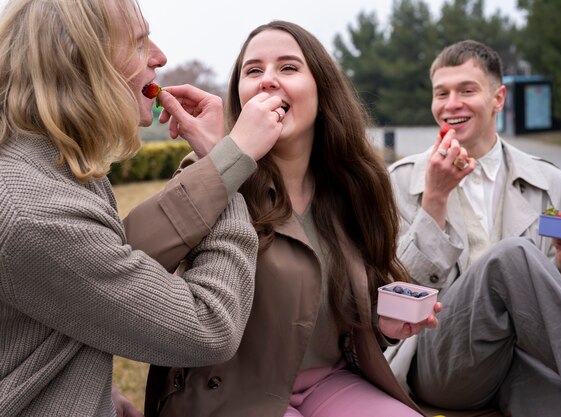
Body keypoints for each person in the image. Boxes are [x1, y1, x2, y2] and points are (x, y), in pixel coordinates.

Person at [130, 20, 441, 417]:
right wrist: (228, 160)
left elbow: (344, 314)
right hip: (234, 392)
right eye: (253, 71)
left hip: (329, 382)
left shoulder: (352, 186)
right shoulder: (210, 170)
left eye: (288, 68)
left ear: (322, 91)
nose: (267, 81)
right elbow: (131, 253)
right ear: (239, 97)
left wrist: (382, 324)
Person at [0, 0, 285, 415]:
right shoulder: (34, 210)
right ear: (81, 63)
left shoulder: (52, 164)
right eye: (138, 43)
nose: (159, 57)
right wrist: (227, 163)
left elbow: (63, 303)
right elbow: (208, 327)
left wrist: (90, 389)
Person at [386, 39, 561, 416]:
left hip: (520, 361)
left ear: (498, 99)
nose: (451, 104)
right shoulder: (399, 183)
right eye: (441, 93)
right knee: (512, 255)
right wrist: (434, 200)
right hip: (439, 362)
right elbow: (392, 302)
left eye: (467, 90)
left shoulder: (552, 182)